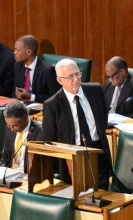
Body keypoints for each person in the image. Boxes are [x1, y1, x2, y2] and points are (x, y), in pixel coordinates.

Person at [42, 58, 112, 190]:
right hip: (72, 156)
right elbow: (50, 138)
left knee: (102, 194)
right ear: (59, 80)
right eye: (70, 76)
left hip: (97, 150)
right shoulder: (52, 104)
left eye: (77, 74)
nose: (76, 79)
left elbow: (103, 118)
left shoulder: (96, 90)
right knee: (79, 196)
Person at [12, 35, 61, 103]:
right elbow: (15, 91)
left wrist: (31, 97)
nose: (14, 53)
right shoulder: (17, 65)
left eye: (18, 50)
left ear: (29, 52)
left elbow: (55, 98)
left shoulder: (47, 70)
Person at [0, 101, 43, 173]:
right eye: (9, 125)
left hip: (29, 176)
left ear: (25, 118)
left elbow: (42, 165)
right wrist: (1, 172)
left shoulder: (40, 133)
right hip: (10, 174)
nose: (12, 129)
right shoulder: (10, 128)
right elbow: (6, 155)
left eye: (14, 125)